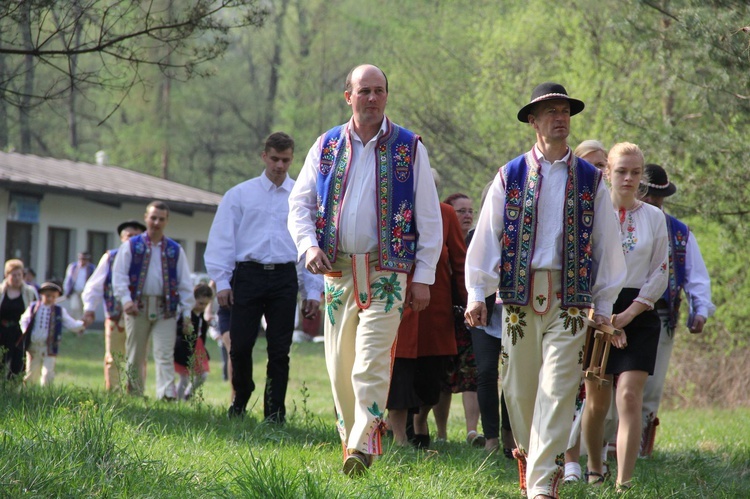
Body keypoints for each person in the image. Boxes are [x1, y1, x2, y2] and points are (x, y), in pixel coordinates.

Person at [465, 82, 627, 499]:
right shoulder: (511, 174)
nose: (560, 118)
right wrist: (476, 294)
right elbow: (487, 236)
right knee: (518, 391)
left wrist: (604, 304)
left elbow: (608, 246)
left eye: (565, 111)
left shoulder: (591, 179)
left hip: (571, 298)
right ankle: (530, 460)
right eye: (551, 111)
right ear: (533, 121)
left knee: (558, 389)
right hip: (518, 296)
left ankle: (541, 487)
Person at [287, 64, 443, 476]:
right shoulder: (326, 145)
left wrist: (423, 276)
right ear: (348, 97)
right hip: (336, 270)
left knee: (369, 361)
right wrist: (307, 246)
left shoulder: (410, 148)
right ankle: (355, 441)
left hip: (387, 271)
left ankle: (360, 446)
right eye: (364, 91)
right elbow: (299, 205)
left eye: (379, 91)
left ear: (387, 96)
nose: (372, 98)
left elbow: (429, 217)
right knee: (339, 366)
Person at [204, 132, 323, 423]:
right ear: (264, 156)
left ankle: (274, 410)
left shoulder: (301, 197)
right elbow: (222, 241)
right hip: (248, 275)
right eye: (275, 159)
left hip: (284, 276)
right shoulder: (240, 194)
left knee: (280, 350)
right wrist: (222, 282)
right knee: (241, 345)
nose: (280, 166)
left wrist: (313, 292)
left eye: (286, 160)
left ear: (292, 159)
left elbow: (311, 244)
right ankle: (241, 397)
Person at [581, 143, 668, 493]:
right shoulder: (590, 215)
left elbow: (661, 270)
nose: (629, 178)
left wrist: (629, 314)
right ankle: (593, 467)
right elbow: (583, 268)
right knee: (597, 400)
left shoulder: (654, 217)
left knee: (629, 396)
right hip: (598, 308)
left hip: (640, 311)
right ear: (608, 173)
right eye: (622, 171)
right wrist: (603, 319)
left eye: (635, 172)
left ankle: (624, 482)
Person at [640, 163, 715, 457]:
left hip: (660, 317)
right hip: (619, 315)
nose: (653, 203)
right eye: (648, 196)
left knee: (652, 385)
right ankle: (608, 446)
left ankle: (640, 450)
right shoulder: (619, 222)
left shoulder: (679, 233)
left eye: (658, 197)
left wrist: (700, 311)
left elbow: (696, 276)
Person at [387, 174, 467, 450]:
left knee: (431, 379)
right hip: (397, 306)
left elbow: (459, 260)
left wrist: (470, 300)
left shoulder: (445, 214)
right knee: (399, 372)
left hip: (435, 311)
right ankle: (399, 437)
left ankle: (420, 425)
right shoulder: (391, 209)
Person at [563, 139, 616, 482]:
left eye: (603, 165)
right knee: (568, 382)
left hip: (604, 306)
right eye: (592, 164)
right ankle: (569, 461)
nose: (599, 171)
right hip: (567, 303)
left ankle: (599, 455)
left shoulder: (616, 205)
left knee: (597, 390)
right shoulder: (569, 200)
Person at [112, 201, 195, 400]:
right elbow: (119, 275)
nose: (156, 222)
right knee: (135, 354)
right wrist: (125, 300)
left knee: (164, 353)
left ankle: (166, 394)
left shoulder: (175, 250)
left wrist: (186, 313)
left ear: (167, 221)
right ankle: (135, 394)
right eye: (153, 218)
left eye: (161, 219)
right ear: (146, 218)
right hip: (136, 307)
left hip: (165, 307)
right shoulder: (132, 246)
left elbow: (184, 283)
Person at [433, 192, 483, 448]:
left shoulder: (477, 239)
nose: (467, 215)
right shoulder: (437, 236)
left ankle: (472, 431)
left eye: (470, 211)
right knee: (443, 376)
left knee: (470, 375)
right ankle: (441, 433)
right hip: (443, 314)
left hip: (469, 316)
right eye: (461, 211)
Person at [82, 219, 147, 391]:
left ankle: (136, 391)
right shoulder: (110, 257)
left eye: (136, 236)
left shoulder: (147, 260)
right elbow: (94, 285)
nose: (131, 240)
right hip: (115, 315)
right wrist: (89, 308)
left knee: (138, 356)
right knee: (114, 356)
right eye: (128, 236)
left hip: (141, 316)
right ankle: (114, 391)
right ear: (121, 238)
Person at [19, 282, 85, 386]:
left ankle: (46, 394)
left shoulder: (59, 311)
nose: (50, 299)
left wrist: (82, 324)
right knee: (31, 372)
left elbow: (70, 323)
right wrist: (25, 331)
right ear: (42, 295)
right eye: (48, 296)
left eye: (53, 296)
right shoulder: (34, 307)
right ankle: (26, 393)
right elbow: (24, 320)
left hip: (50, 346)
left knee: (48, 372)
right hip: (34, 345)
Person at [174, 283, 214, 400]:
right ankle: (178, 401)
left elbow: (202, 334)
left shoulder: (201, 316)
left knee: (203, 375)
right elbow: (176, 329)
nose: (203, 307)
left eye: (206, 304)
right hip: (183, 347)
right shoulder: (186, 314)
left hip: (197, 347)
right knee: (184, 377)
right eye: (200, 303)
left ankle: (188, 394)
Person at [1, 259, 39, 379]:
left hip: (20, 333)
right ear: (7, 275)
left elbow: (35, 313)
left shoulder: (29, 292)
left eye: (19, 275)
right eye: (14, 275)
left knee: (17, 364)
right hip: (2, 331)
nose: (17, 278)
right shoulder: (1, 292)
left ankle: (14, 390)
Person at [63, 251, 95, 320]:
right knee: (75, 308)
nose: (82, 261)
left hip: (85, 292)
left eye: (84, 259)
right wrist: (67, 290)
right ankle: (76, 324)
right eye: (81, 259)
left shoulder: (91, 268)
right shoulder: (73, 267)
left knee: (84, 309)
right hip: (75, 291)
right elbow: (68, 279)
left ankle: (81, 325)